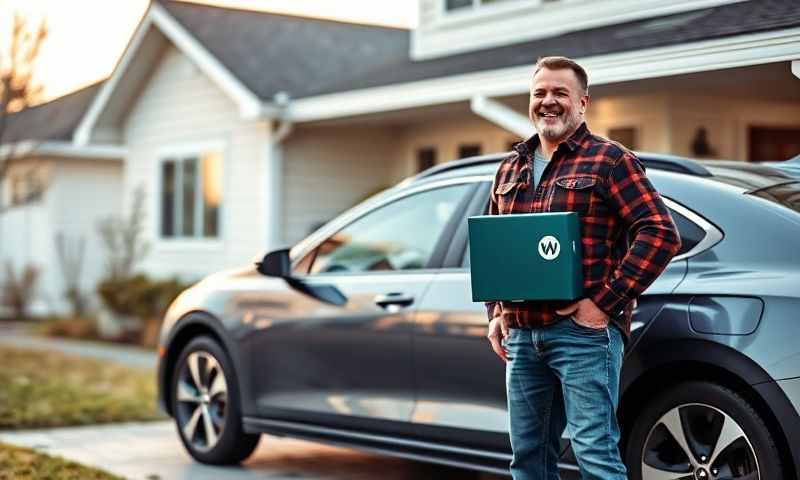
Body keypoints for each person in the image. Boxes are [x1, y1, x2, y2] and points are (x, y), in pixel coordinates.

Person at [485, 56, 681, 479]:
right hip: (522, 338)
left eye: (560, 93)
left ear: (582, 103)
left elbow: (661, 233)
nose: (548, 102)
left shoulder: (610, 160)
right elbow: (495, 246)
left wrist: (604, 304)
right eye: (540, 93)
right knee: (529, 460)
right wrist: (497, 311)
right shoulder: (510, 167)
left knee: (595, 458)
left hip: (583, 337)